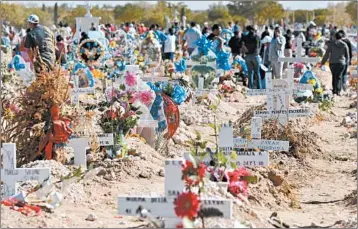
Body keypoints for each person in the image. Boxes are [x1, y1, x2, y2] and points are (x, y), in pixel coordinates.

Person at [319, 31, 349, 96]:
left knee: (334, 76)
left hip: (332, 63)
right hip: (341, 63)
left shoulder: (331, 45)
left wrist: (322, 63)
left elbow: (326, 55)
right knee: (339, 76)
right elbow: (347, 56)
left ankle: (334, 90)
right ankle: (338, 90)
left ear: (335, 37)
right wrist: (347, 64)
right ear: (341, 37)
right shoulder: (344, 45)